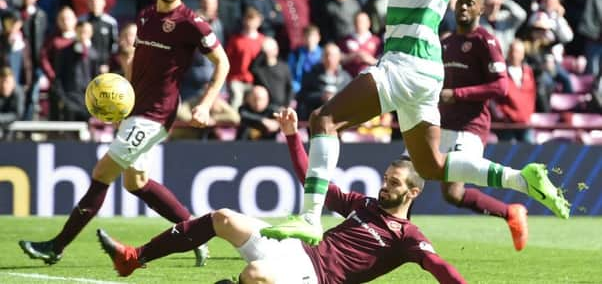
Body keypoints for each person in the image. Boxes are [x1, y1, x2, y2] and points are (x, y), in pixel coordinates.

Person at [260, 0, 569, 246]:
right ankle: (522, 178)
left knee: (324, 119)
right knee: (429, 166)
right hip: (425, 71)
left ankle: (310, 218)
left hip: (407, 64)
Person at [19, 0, 230, 267]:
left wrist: (205, 104)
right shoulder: (145, 17)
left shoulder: (192, 23)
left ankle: (57, 246)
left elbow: (222, 63)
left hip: (157, 113)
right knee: (137, 183)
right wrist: (122, 104)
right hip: (136, 110)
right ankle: (195, 233)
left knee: (102, 172)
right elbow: (137, 67)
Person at [96, 107, 467, 283]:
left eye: (395, 183)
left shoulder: (407, 237)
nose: (385, 184)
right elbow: (312, 178)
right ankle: (134, 258)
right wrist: (292, 134)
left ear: (413, 192)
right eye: (386, 177)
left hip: (314, 277)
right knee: (222, 217)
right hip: (295, 250)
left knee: (253, 275)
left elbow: (439, 268)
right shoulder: (364, 205)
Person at [439, 0, 528, 251]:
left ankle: (514, 202)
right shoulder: (446, 42)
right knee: (448, 193)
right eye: (460, 3)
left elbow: (500, 87)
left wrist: (457, 94)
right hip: (441, 125)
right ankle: (511, 212)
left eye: (469, 3)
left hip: (469, 127)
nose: (463, 7)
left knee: (446, 187)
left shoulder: (485, 41)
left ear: (481, 9)